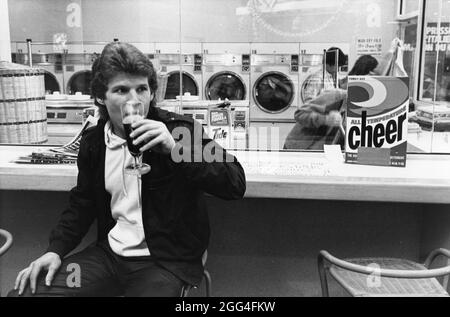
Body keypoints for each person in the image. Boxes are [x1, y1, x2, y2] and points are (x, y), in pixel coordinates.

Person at [8, 42, 246, 297]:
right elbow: (83, 203)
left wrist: (174, 149)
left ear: (152, 92)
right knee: (28, 295)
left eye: (142, 89)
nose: (135, 101)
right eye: (121, 90)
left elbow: (234, 182)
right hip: (109, 257)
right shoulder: (94, 142)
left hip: (166, 262)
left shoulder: (180, 131)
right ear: (101, 96)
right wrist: (55, 250)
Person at [284, 55, 379, 150]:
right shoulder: (336, 95)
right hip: (299, 147)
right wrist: (325, 119)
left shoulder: (363, 105)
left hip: (320, 150)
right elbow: (299, 114)